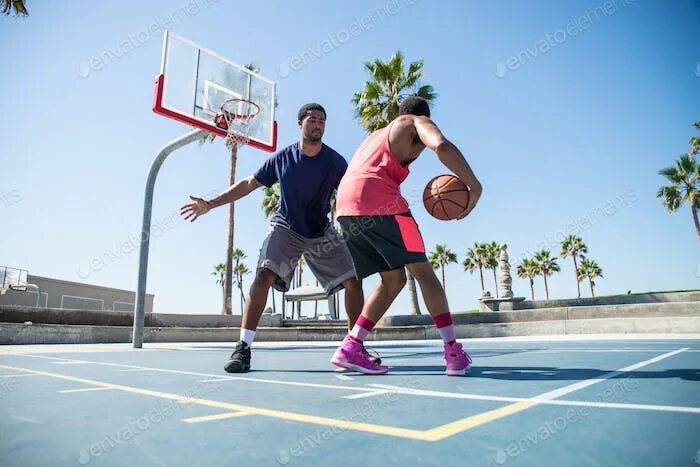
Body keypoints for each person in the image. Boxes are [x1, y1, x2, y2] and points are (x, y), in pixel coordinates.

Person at [181, 103, 365, 373]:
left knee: (353, 282)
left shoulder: (335, 161)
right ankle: (243, 348)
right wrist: (210, 203)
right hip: (286, 228)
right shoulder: (283, 158)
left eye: (322, 121)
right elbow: (248, 184)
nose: (318, 125)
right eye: (312, 120)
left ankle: (354, 346)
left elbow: (351, 192)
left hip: (320, 231)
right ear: (300, 124)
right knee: (263, 274)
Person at [332, 96, 483, 376]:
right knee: (424, 273)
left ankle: (351, 347)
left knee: (393, 279)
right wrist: (475, 187)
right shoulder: (414, 120)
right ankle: (452, 351)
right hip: (378, 201)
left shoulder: (375, 136)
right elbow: (442, 145)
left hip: (346, 206)